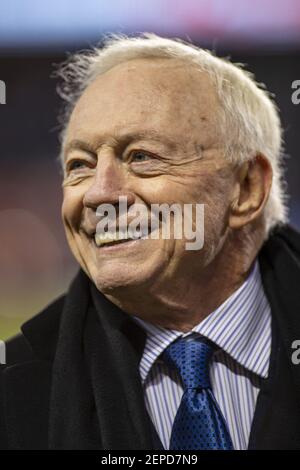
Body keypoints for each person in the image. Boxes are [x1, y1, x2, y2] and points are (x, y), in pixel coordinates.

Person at [1, 33, 300, 450]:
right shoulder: (12, 389)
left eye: (141, 156)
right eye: (80, 165)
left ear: (246, 188)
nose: (99, 194)